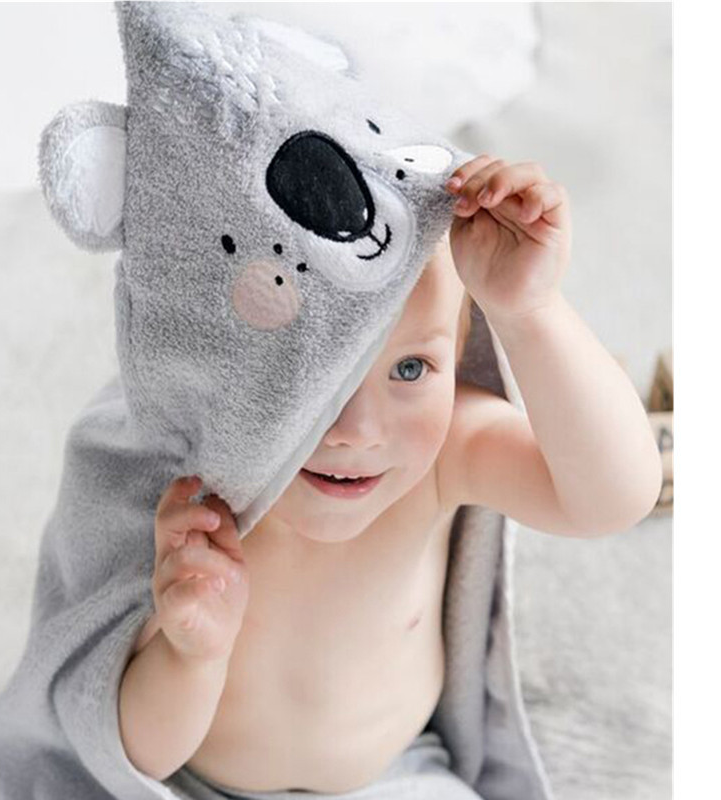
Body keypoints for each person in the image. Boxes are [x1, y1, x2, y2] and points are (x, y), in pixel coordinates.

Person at [117, 155, 664, 794]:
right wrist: (192, 655)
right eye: (317, 371)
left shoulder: (445, 449)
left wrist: (528, 309)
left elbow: (613, 499)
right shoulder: (197, 492)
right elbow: (137, 755)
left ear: (457, 353)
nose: (356, 429)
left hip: (396, 778)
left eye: (410, 369)